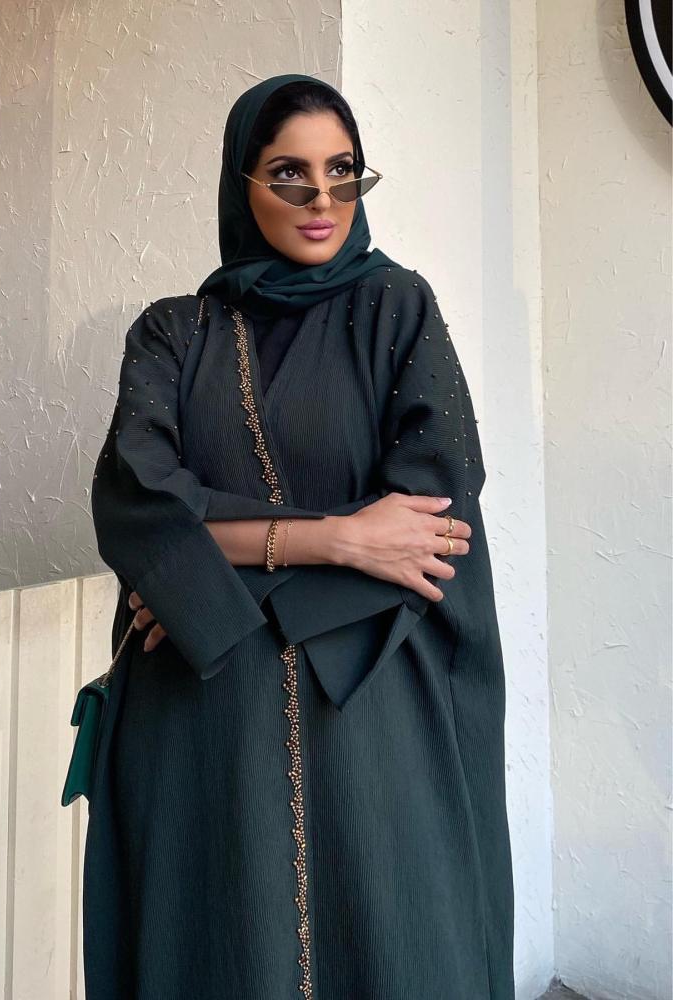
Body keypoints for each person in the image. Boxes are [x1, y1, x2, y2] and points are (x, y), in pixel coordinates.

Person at [82, 72, 515, 1000]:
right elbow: (137, 503)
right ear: (241, 181)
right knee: (220, 946)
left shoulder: (397, 308)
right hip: (202, 725)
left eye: (342, 171)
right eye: (289, 173)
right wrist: (342, 540)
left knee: (397, 943)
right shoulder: (174, 334)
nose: (322, 198)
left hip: (369, 704)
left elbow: (430, 517)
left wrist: (198, 563)